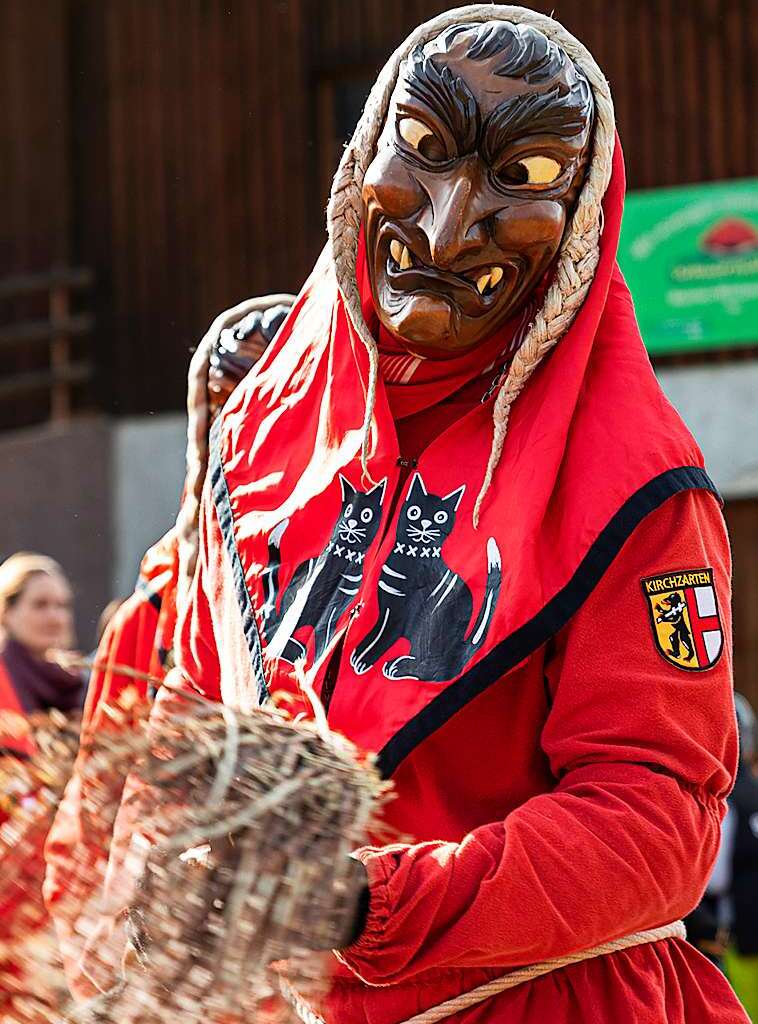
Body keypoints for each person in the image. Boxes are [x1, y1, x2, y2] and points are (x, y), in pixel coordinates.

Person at [50, 6, 749, 1023]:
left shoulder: (632, 482)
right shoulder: (263, 434)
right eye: (420, 151)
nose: (443, 224)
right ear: (358, 159)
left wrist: (365, 902)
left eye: (523, 180)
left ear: (581, 225)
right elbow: (188, 722)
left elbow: (654, 823)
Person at [0, 553, 84, 740]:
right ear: (6, 612)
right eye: (40, 605)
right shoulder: (3, 677)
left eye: (62, 606)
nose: (55, 617)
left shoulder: (76, 680)